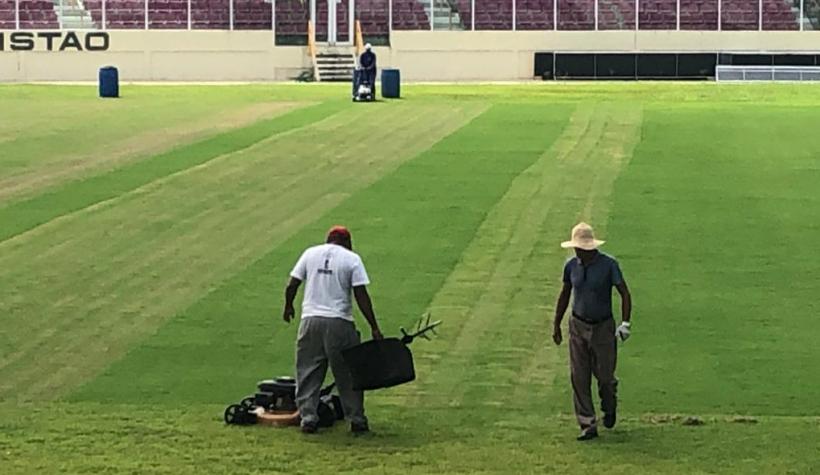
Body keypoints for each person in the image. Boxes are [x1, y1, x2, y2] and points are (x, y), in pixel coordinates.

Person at [282, 225, 383, 434]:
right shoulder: (351, 259)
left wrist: (288, 306)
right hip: (339, 322)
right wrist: (374, 326)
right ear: (347, 242)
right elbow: (360, 295)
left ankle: (308, 418)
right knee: (348, 372)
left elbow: (292, 284)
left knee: (308, 370)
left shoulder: (310, 253)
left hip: (309, 320)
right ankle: (356, 419)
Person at [552, 222, 632, 441]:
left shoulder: (608, 265)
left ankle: (609, 405)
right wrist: (556, 323)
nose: (579, 251)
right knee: (579, 376)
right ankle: (587, 423)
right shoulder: (571, 266)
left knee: (605, 376)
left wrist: (625, 322)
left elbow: (624, 293)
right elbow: (565, 293)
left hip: (603, 327)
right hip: (578, 325)